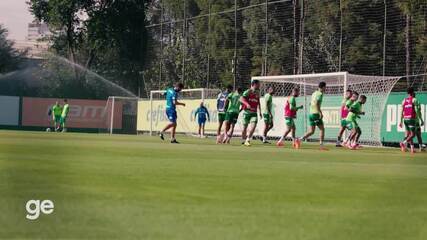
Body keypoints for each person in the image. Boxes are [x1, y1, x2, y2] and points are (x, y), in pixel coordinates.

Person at [300, 82, 327, 149]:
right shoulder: (320, 94)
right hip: (315, 114)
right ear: (323, 87)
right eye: (325, 87)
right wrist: (320, 112)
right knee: (322, 129)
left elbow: (311, 103)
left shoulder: (314, 93)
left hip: (311, 114)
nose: (325, 88)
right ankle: (321, 146)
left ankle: (299, 139)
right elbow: (317, 104)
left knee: (312, 131)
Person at [399, 87, 421, 153]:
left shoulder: (404, 100)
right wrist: (420, 119)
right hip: (411, 119)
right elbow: (417, 110)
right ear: (412, 92)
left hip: (405, 119)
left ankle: (412, 148)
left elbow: (401, 112)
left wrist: (400, 121)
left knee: (408, 134)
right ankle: (403, 143)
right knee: (413, 135)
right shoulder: (414, 100)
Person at [240, 80, 262, 146]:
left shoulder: (258, 92)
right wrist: (246, 104)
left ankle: (248, 139)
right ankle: (244, 140)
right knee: (244, 129)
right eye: (258, 84)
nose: (259, 85)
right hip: (246, 112)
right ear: (254, 84)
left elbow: (258, 102)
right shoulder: (248, 91)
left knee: (253, 126)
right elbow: (241, 99)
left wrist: (260, 112)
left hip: (254, 113)